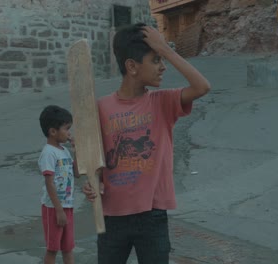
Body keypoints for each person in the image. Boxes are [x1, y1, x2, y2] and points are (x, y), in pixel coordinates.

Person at [82, 23, 211, 263]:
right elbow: (96, 161)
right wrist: (92, 183)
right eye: (155, 60)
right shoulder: (100, 108)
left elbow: (202, 86)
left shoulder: (162, 102)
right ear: (132, 66)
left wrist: (166, 49)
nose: (162, 67)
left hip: (152, 217)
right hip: (112, 217)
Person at [38, 105, 80, 264]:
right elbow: (49, 183)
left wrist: (76, 150)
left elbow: (76, 173)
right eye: (66, 128)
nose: (69, 133)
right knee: (52, 248)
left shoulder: (64, 151)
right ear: (53, 131)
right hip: (53, 209)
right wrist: (59, 210)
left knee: (68, 248)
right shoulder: (48, 153)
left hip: (67, 206)